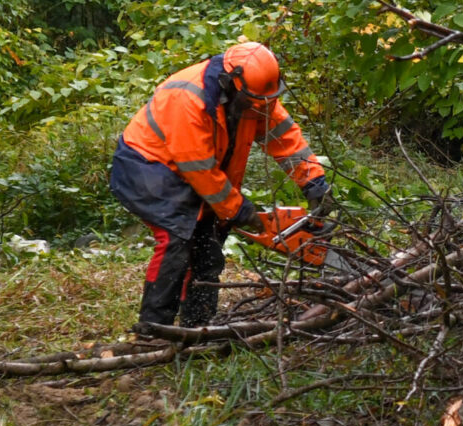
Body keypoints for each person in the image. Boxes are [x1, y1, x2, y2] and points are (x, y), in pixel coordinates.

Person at [108, 41, 331, 331]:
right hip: (147, 165)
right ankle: (153, 330)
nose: (260, 108)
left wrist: (313, 182)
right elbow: (198, 169)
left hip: (195, 171)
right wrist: (241, 211)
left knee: (209, 245)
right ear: (231, 83)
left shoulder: (257, 96)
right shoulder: (189, 99)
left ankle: (197, 326)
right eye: (253, 101)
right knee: (177, 238)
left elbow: (285, 138)